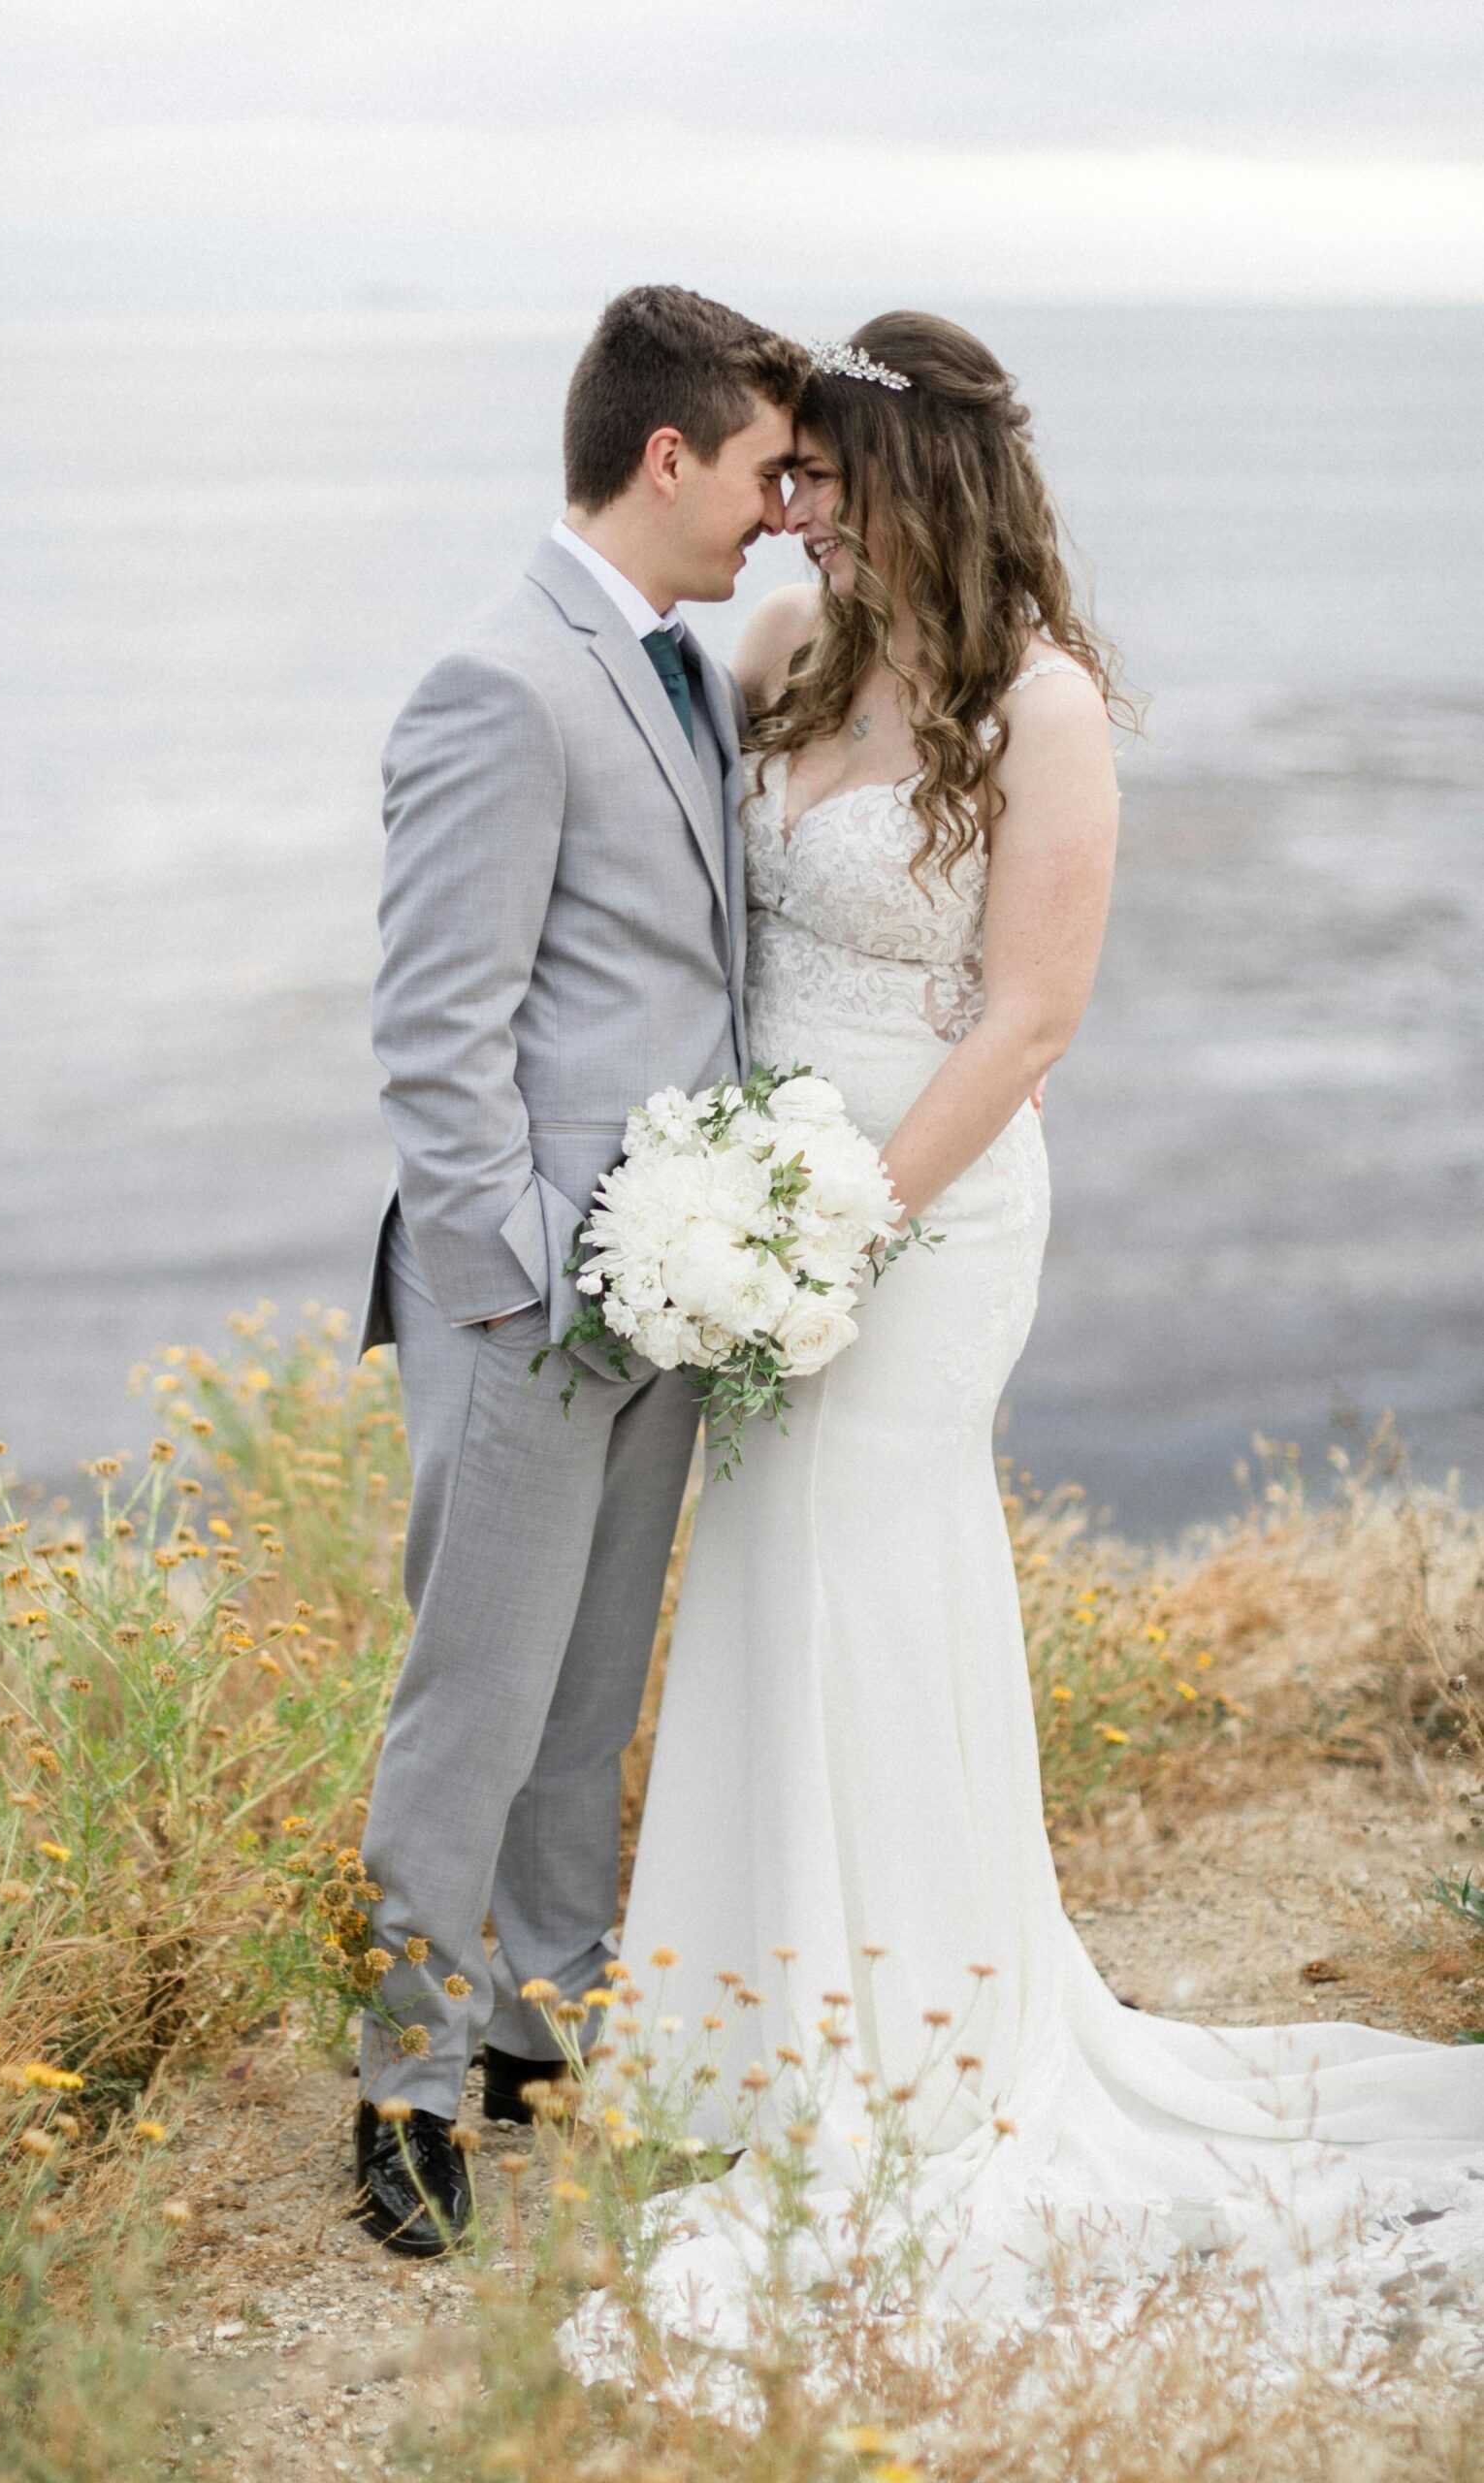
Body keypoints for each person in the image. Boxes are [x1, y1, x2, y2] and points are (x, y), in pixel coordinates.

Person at [613, 313, 1484, 2354]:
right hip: (758, 1203)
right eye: (781, 477)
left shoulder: (1042, 703)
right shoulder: (783, 650)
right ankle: (750, 2036)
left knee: (874, 1574)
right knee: (762, 1574)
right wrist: (722, 1205)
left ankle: (917, 2045)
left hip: (921, 1216)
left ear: (919, 481)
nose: (790, 511)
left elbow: (1028, 1020)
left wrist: (840, 1230)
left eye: (820, 477)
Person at [350, 286, 805, 2254]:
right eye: (767, 471)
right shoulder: (498, 681)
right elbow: (433, 1036)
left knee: (591, 1686)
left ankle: (541, 2026)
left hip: (666, 1288)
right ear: (667, 454)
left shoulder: (682, 663)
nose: (780, 512)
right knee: (473, 1697)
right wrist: (511, 1288)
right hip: (529, 1299)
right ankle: (402, 2083)